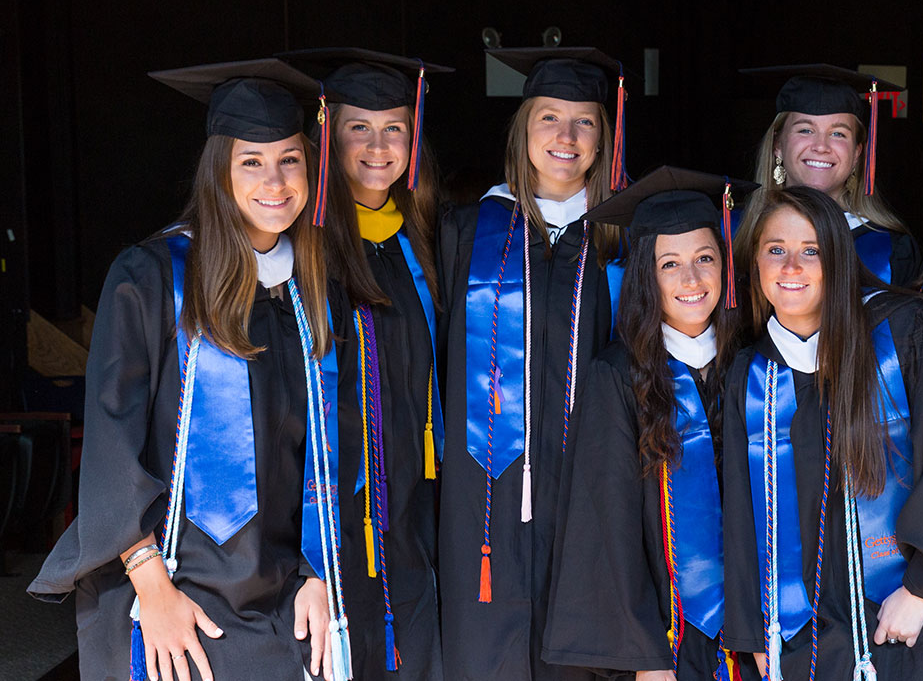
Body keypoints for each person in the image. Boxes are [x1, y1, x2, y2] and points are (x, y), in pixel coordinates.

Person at [27, 59, 356, 681]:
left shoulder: (312, 292)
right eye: (251, 162)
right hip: (168, 589)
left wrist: (319, 573)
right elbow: (110, 444)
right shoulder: (151, 278)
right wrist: (151, 589)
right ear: (218, 170)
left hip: (280, 596)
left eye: (290, 158)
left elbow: (324, 449)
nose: (275, 181)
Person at [722, 185, 923, 680]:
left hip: (917, 618)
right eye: (775, 250)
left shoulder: (908, 331)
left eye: (812, 251)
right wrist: (756, 627)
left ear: (840, 259)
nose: (792, 267)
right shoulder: (751, 373)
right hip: (809, 634)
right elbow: (742, 510)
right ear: (753, 263)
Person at [436, 47, 628, 680]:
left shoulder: (623, 243)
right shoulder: (464, 232)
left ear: (605, 138)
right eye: (549, 117)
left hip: (589, 497)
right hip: (481, 502)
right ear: (523, 129)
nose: (566, 137)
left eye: (585, 122)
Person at [279, 47, 454, 681]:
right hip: (329, 520)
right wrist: (304, 561)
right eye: (359, 127)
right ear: (326, 134)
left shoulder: (422, 242)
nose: (379, 146)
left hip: (411, 516)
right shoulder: (296, 250)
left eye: (395, 129)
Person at [543, 167, 759, 681]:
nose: (691, 279)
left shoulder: (753, 369)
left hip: (756, 636)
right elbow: (607, 526)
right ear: (646, 275)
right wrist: (645, 656)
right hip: (668, 640)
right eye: (670, 264)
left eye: (706, 258)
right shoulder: (617, 377)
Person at [735, 64, 919, 286]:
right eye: (805, 130)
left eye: (838, 133)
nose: (821, 146)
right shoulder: (731, 233)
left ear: (857, 153)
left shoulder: (889, 248)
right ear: (778, 144)